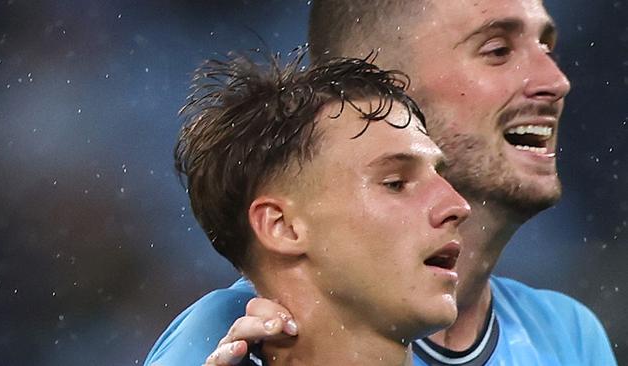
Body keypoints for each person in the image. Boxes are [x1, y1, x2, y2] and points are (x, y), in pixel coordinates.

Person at [146, 0, 618, 365]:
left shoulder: (566, 333)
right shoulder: (234, 337)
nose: (555, 81)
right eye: (498, 51)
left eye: (546, 48)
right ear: (387, 86)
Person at [150, 52, 471, 365]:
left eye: (440, 177)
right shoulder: (206, 331)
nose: (457, 206)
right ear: (282, 226)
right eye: (395, 183)